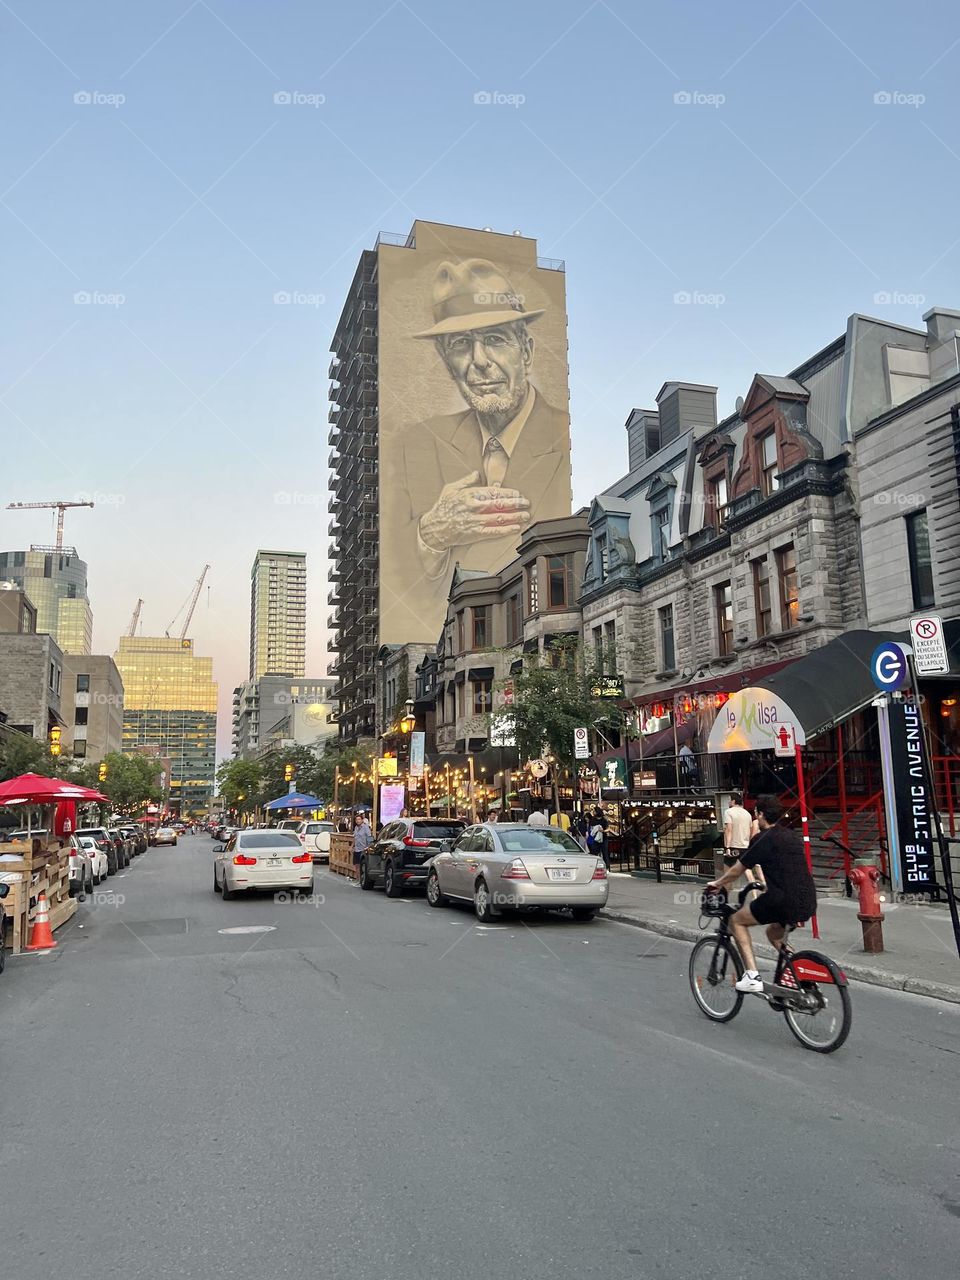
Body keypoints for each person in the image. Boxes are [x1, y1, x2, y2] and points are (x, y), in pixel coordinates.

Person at [387, 258, 571, 638]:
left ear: (527, 351)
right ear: (445, 361)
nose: (479, 362)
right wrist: (430, 534)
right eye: (460, 345)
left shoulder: (558, 430)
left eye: (495, 339)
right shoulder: (414, 443)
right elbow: (397, 577)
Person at [707, 795, 817, 993]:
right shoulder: (792, 836)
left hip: (782, 900)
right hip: (807, 899)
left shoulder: (763, 838)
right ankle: (795, 971)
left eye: (756, 813)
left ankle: (751, 976)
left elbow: (737, 870)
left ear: (761, 815)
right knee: (774, 934)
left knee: (736, 920)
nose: (756, 817)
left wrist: (717, 883)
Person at [722, 792, 762, 887]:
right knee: (748, 871)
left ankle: (725, 895)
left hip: (733, 846)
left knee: (727, 873)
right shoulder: (747, 814)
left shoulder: (728, 812)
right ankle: (755, 894)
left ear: (733, 801)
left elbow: (729, 830)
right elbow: (750, 830)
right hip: (745, 845)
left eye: (730, 800)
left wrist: (727, 847)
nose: (728, 802)